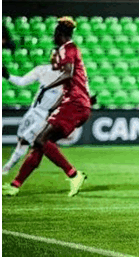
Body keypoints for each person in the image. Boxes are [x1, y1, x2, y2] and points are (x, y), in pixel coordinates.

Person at [3, 17, 91, 197]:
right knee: (39, 144)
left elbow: (68, 75)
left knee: (41, 141)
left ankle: (74, 175)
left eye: (54, 34)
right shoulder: (68, 51)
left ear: (60, 35)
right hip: (75, 103)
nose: (53, 37)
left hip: (74, 103)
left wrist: (48, 86)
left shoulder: (68, 48)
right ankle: (15, 185)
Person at [2, 50, 64, 174]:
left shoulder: (66, 77)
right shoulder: (42, 70)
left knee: (26, 140)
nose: (56, 58)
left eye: (59, 56)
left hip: (45, 115)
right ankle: (14, 166)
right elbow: (22, 81)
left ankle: (7, 168)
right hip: (32, 111)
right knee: (21, 139)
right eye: (54, 55)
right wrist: (7, 76)